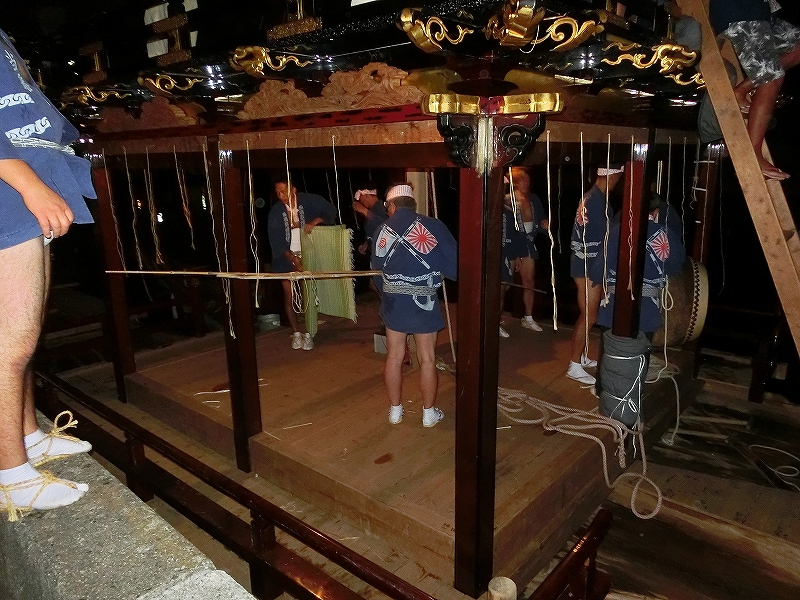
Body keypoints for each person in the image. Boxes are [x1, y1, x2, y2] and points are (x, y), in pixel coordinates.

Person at [0, 28, 95, 520]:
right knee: (10, 343)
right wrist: (31, 185)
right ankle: (11, 476)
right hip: (8, 188)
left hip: (18, 183)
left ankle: (28, 437)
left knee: (25, 335)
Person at [372, 183, 457, 427]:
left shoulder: (382, 230)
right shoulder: (433, 226)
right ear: (412, 204)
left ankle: (395, 411)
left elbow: (377, 272)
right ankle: (428, 414)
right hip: (425, 302)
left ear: (392, 205)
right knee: (427, 358)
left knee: (394, 357)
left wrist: (390, 292)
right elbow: (454, 267)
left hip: (394, 303)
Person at [709, 0, 800, 180]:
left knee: (792, 53)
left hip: (761, 14)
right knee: (772, 78)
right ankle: (753, 154)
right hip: (740, 15)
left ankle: (741, 90)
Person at [591, 194, 686, 336]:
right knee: (642, 347)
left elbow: (599, 268)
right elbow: (674, 267)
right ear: (656, 212)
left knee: (611, 346)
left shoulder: (618, 231)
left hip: (614, 306)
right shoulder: (666, 235)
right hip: (647, 309)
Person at [567, 164, 624, 386]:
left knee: (590, 314)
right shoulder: (596, 201)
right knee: (589, 316)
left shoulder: (592, 196)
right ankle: (574, 365)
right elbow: (603, 240)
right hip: (588, 264)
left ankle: (581, 356)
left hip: (586, 261)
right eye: (618, 177)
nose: (619, 182)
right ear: (611, 176)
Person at [268, 178, 336, 350]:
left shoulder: (308, 200)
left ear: (293, 189)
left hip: (308, 253)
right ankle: (296, 333)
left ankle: (309, 333)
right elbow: (276, 240)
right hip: (286, 257)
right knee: (289, 296)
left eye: (283, 191)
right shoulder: (276, 211)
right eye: (277, 193)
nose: (281, 195)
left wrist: (314, 221)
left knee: (307, 296)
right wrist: (291, 258)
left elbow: (330, 210)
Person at [508, 166, 548, 333]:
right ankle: (495, 319)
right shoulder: (508, 200)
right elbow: (507, 228)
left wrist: (544, 224)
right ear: (516, 182)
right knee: (505, 284)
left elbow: (540, 220)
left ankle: (528, 318)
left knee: (529, 281)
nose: (526, 183)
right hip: (511, 244)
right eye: (523, 180)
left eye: (528, 180)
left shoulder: (533, 199)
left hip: (528, 243)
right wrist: (514, 253)